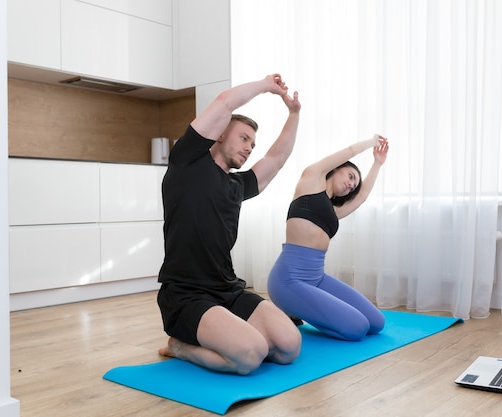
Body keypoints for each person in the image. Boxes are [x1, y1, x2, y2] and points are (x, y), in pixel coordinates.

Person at [157, 74, 302, 375]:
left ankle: (228, 332)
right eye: (244, 138)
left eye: (253, 143)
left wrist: (294, 113)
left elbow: (276, 159)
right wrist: (265, 86)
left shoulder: (238, 185)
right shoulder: (187, 163)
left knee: (289, 346)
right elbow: (224, 103)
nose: (250, 148)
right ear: (220, 134)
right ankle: (179, 347)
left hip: (226, 289)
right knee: (251, 355)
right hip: (186, 295)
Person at [267, 134, 389, 341]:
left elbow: (361, 197)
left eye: (354, 183)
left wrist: (377, 163)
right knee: (357, 328)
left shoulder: (333, 211)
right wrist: (371, 143)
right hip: (288, 280)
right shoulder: (311, 180)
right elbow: (349, 150)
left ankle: (296, 310)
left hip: (317, 278)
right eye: (350, 176)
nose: (352, 184)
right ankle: (288, 309)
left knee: (377, 323)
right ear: (337, 168)